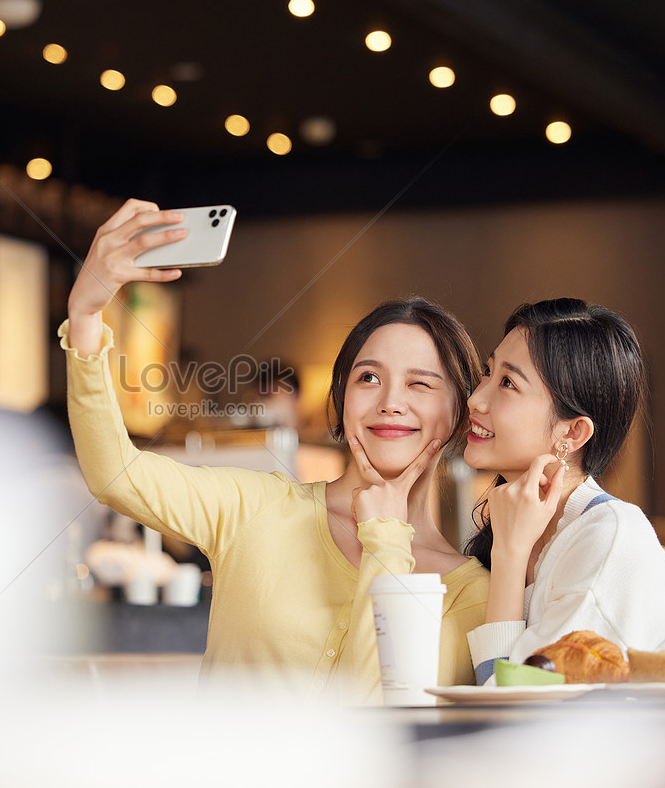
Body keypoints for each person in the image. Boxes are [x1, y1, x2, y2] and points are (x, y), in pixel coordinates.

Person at [64, 198, 489, 702]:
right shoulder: (255, 508)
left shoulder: (470, 592)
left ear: (461, 414)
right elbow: (115, 473)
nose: (390, 402)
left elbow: (373, 711)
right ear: (340, 400)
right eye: (369, 377)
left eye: (420, 384)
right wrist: (87, 312)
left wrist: (386, 536)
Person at [462, 298, 665, 683]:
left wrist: (509, 555)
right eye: (487, 373)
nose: (475, 399)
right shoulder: (523, 525)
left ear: (572, 432)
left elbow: (511, 706)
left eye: (508, 383)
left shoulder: (606, 536)